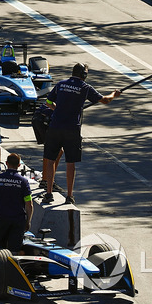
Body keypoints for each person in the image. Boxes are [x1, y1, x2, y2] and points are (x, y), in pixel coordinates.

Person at [41, 63, 121, 205]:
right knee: (70, 162)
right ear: (83, 75)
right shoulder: (85, 87)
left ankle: (48, 193)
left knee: (51, 159)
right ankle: (70, 195)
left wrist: (57, 110)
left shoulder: (60, 84)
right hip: (72, 129)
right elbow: (105, 100)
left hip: (55, 127)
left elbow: (47, 102)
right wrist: (114, 94)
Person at [0, 153, 33, 254]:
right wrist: (28, 221)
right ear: (19, 165)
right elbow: (29, 204)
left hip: (0, 219)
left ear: (6, 163)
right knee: (14, 250)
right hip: (18, 221)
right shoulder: (24, 181)